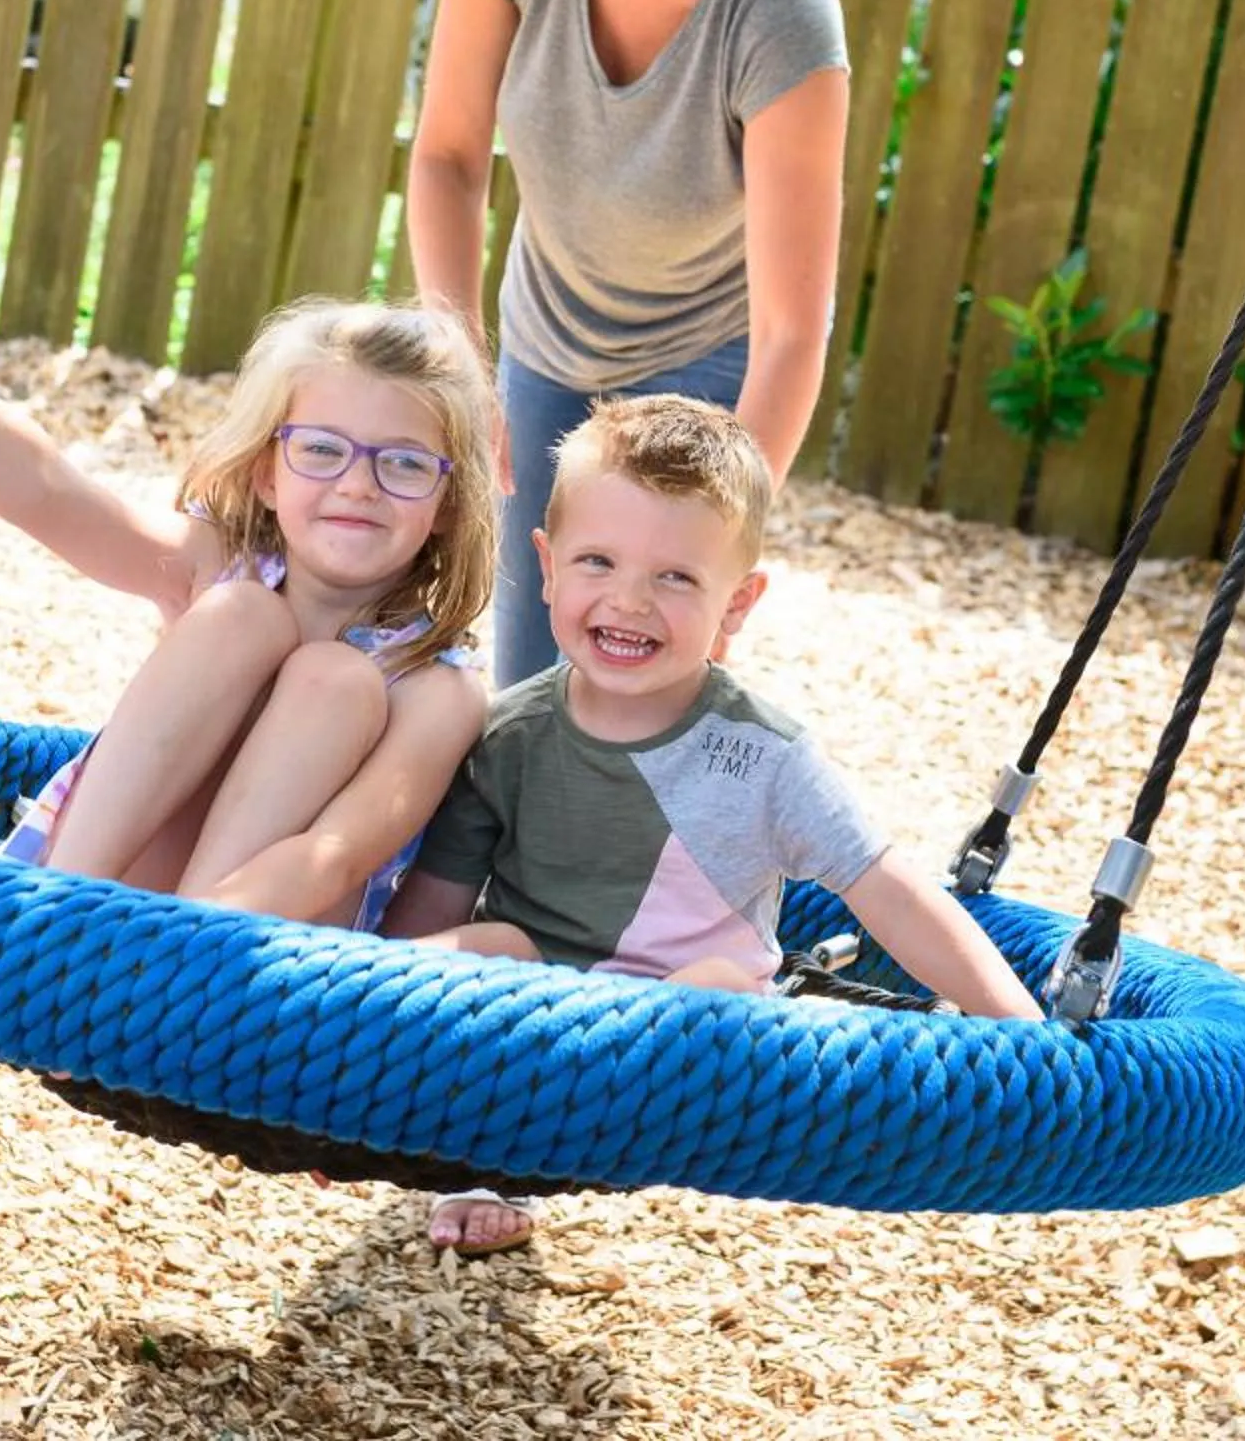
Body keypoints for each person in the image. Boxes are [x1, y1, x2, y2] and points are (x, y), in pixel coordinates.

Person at [383, 396, 1041, 1251]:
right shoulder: (507, 735)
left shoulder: (764, 755)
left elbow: (890, 891)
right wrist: (373, 1030)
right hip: (545, 1001)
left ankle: (534, 1133)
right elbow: (434, 903)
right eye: (597, 561)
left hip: (689, 1041)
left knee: (719, 991)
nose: (629, 601)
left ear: (739, 603)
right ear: (545, 567)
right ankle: (476, 1158)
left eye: (676, 577)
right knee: (474, 953)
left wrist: (1025, 1035)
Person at [0, 232, 497, 929]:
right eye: (320, 450)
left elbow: (331, 859)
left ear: (449, 504)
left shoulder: (437, 689)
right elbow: (47, 489)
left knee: (336, 681)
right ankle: (45, 920)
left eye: (403, 463)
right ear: (265, 475)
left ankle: (139, 981)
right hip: (94, 912)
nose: (358, 485)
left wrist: (173, 961)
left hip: (235, 971)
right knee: (240, 616)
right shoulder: (216, 569)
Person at [407, 0, 851, 688]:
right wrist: (462, 364)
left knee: (627, 670)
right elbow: (448, 156)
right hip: (545, 334)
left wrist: (728, 534)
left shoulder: (783, 14)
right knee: (525, 676)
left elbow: (795, 330)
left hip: (704, 361)